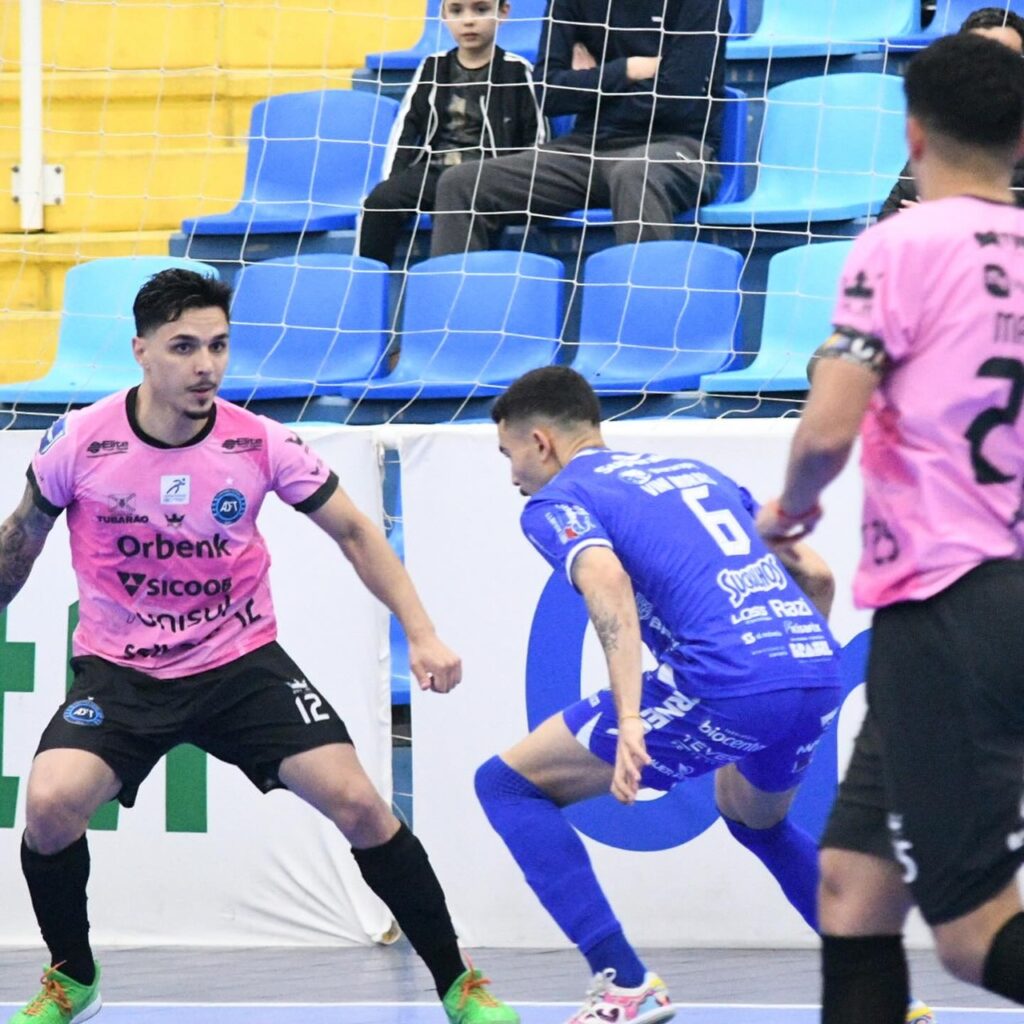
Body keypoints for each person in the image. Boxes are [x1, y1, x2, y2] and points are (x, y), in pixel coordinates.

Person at [0, 268, 518, 1024]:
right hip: (120, 675)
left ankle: (458, 983)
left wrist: (423, 630)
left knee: (361, 805)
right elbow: (23, 538)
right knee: (47, 807)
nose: (205, 364)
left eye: (217, 345)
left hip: (240, 667)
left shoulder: (258, 440)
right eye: (184, 347)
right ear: (141, 351)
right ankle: (73, 977)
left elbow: (353, 531)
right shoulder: (81, 441)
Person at [756, 33, 1024, 1024]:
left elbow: (828, 426)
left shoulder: (900, 241)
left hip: (946, 599)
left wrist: (791, 508)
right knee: (853, 887)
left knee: (969, 934)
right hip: (1001, 595)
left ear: (911, 134)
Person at [474, 365, 845, 1024]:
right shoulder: (695, 472)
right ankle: (887, 995)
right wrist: (788, 658)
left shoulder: (557, 500)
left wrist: (630, 717)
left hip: (725, 681)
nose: (511, 478)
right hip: (814, 669)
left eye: (509, 457)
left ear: (541, 442)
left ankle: (624, 983)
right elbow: (813, 572)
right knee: (756, 820)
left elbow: (607, 584)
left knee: (505, 784)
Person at [429, 0, 728, 256]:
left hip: (676, 145)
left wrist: (591, 84)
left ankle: (647, 317)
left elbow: (676, 100)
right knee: (461, 183)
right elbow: (549, 93)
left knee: (635, 172)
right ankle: (457, 319)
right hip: (585, 147)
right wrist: (628, 70)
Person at [356, 0, 544, 268]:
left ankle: (455, 288)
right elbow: (406, 130)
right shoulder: (432, 67)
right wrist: (393, 183)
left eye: (480, 10)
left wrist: (518, 184)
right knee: (379, 202)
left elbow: (536, 135)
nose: (468, 20)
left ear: (503, 13)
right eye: (456, 11)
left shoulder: (517, 70)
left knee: (460, 209)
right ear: (443, 15)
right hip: (435, 171)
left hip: (487, 176)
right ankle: (368, 285)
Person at [879, 6, 1024, 219]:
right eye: (980, 58)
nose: (993, 71)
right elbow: (889, 218)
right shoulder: (942, 132)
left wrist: (945, 220)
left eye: (1006, 58)